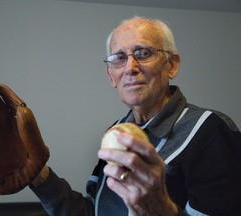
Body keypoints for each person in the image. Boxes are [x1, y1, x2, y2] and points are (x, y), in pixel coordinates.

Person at [29, 16, 241, 216]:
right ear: (111, 76)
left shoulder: (211, 131)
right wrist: (39, 176)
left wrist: (160, 210)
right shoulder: (115, 132)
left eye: (143, 53)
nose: (130, 67)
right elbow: (94, 210)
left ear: (172, 65)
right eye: (119, 58)